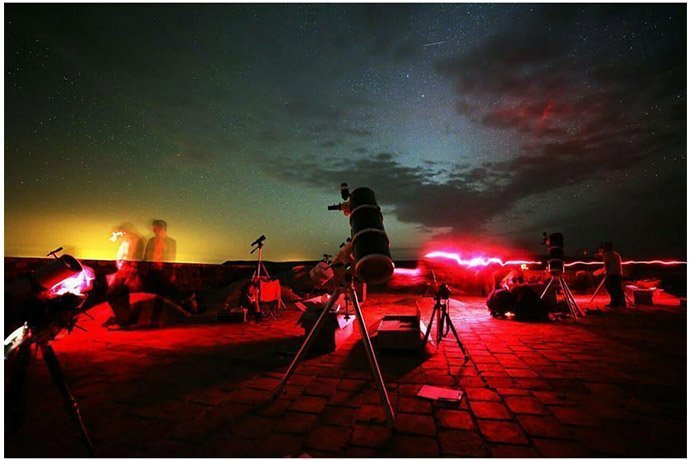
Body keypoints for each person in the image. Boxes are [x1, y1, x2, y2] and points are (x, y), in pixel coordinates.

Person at [596, 241, 625, 307]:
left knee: (611, 288)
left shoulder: (607, 254)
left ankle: (614, 302)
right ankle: (622, 303)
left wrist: (605, 273)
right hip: (618, 273)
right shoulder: (616, 254)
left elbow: (607, 265)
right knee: (618, 288)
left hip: (612, 274)